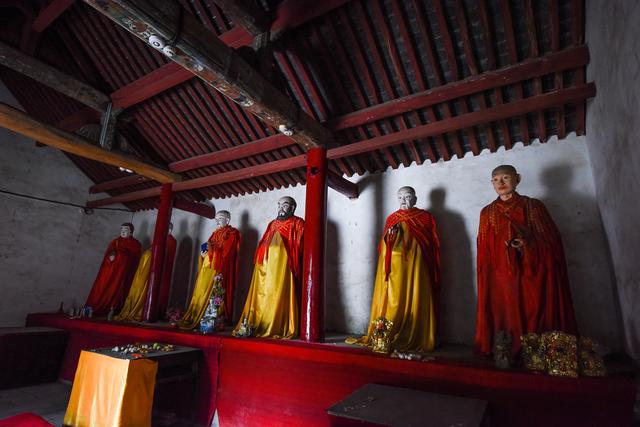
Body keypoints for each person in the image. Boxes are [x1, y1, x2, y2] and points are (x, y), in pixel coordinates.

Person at [474, 165, 578, 355]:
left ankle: (538, 351)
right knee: (505, 312)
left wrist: (526, 244)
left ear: (517, 178)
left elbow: (551, 241)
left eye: (506, 178)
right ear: (492, 184)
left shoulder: (533, 206)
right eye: (496, 180)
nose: (501, 183)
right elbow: (484, 250)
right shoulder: (487, 212)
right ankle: (505, 349)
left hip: (533, 273)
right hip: (501, 276)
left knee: (534, 310)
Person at [347, 186, 440, 352]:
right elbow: (382, 247)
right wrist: (389, 237)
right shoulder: (392, 218)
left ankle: (414, 332)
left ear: (415, 199)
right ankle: (386, 331)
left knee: (415, 294)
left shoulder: (425, 217)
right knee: (392, 297)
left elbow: (430, 244)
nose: (404, 200)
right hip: (394, 267)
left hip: (416, 264)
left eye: (408, 196)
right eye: (400, 197)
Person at [233, 197, 304, 339]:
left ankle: (277, 324)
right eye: (279, 205)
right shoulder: (272, 223)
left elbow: (301, 242)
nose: (281, 208)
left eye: (285, 205)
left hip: (283, 267)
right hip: (266, 265)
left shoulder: (297, 223)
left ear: (292, 208)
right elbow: (265, 240)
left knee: (277, 293)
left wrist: (281, 248)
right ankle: (259, 322)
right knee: (261, 293)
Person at [179, 211, 240, 329]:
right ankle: (198, 313)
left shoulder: (232, 233)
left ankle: (215, 318)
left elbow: (228, 253)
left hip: (220, 267)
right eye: (216, 219)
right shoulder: (214, 234)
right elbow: (207, 249)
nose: (217, 221)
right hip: (207, 267)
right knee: (201, 290)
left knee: (216, 291)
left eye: (220, 218)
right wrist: (203, 253)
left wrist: (213, 251)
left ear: (227, 220)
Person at [116, 222, 177, 322]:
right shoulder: (116, 242)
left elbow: (164, 256)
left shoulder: (171, 241)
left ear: (169, 230)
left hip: (159, 273)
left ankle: (150, 313)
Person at [85, 223, 141, 316]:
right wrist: (110, 258)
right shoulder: (115, 242)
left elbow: (133, 259)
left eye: (126, 230)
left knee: (120, 293)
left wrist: (121, 256)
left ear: (131, 232)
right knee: (103, 289)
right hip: (111, 272)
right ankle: (98, 307)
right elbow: (108, 255)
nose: (123, 231)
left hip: (124, 274)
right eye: (121, 229)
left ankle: (115, 309)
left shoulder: (135, 244)